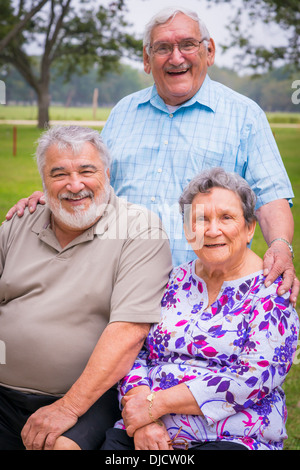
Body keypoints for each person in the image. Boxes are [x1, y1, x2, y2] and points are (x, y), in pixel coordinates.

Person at [5, 7, 298, 304]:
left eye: (187, 44)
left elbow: (271, 196)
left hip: (203, 293)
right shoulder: (123, 112)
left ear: (209, 52)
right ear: (147, 59)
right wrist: (53, 200)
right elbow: (94, 186)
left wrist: (280, 245)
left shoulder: (244, 115)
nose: (176, 57)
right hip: (117, 285)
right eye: (162, 48)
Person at [101, 168, 299, 451]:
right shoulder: (171, 280)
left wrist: (155, 405)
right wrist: (143, 420)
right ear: (186, 230)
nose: (212, 230)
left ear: (249, 228)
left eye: (226, 218)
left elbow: (252, 378)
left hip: (231, 439)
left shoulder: (272, 292)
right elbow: (134, 350)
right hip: (147, 434)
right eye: (200, 219)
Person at [0, 125, 172, 450]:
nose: (74, 184)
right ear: (44, 182)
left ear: (107, 174)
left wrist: (67, 408)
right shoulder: (20, 222)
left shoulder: (139, 229)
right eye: (59, 173)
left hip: (83, 398)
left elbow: (129, 331)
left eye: (86, 171)